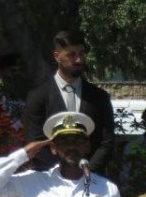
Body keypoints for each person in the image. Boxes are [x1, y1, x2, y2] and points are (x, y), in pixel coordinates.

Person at [24, 29, 116, 173]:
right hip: (50, 181)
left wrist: (86, 171)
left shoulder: (99, 97)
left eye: (81, 54)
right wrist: (62, 172)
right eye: (71, 55)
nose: (79, 60)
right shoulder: (38, 97)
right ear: (57, 56)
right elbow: (34, 141)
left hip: (90, 179)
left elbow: (106, 142)